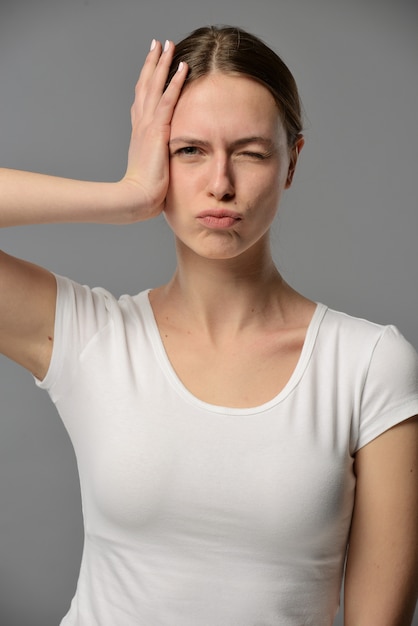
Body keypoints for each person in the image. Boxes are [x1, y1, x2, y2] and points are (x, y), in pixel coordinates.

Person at [0, 25, 417, 626]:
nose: (220, 183)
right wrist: (128, 195)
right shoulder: (90, 338)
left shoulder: (369, 366)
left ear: (292, 162)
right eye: (189, 150)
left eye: (250, 152)